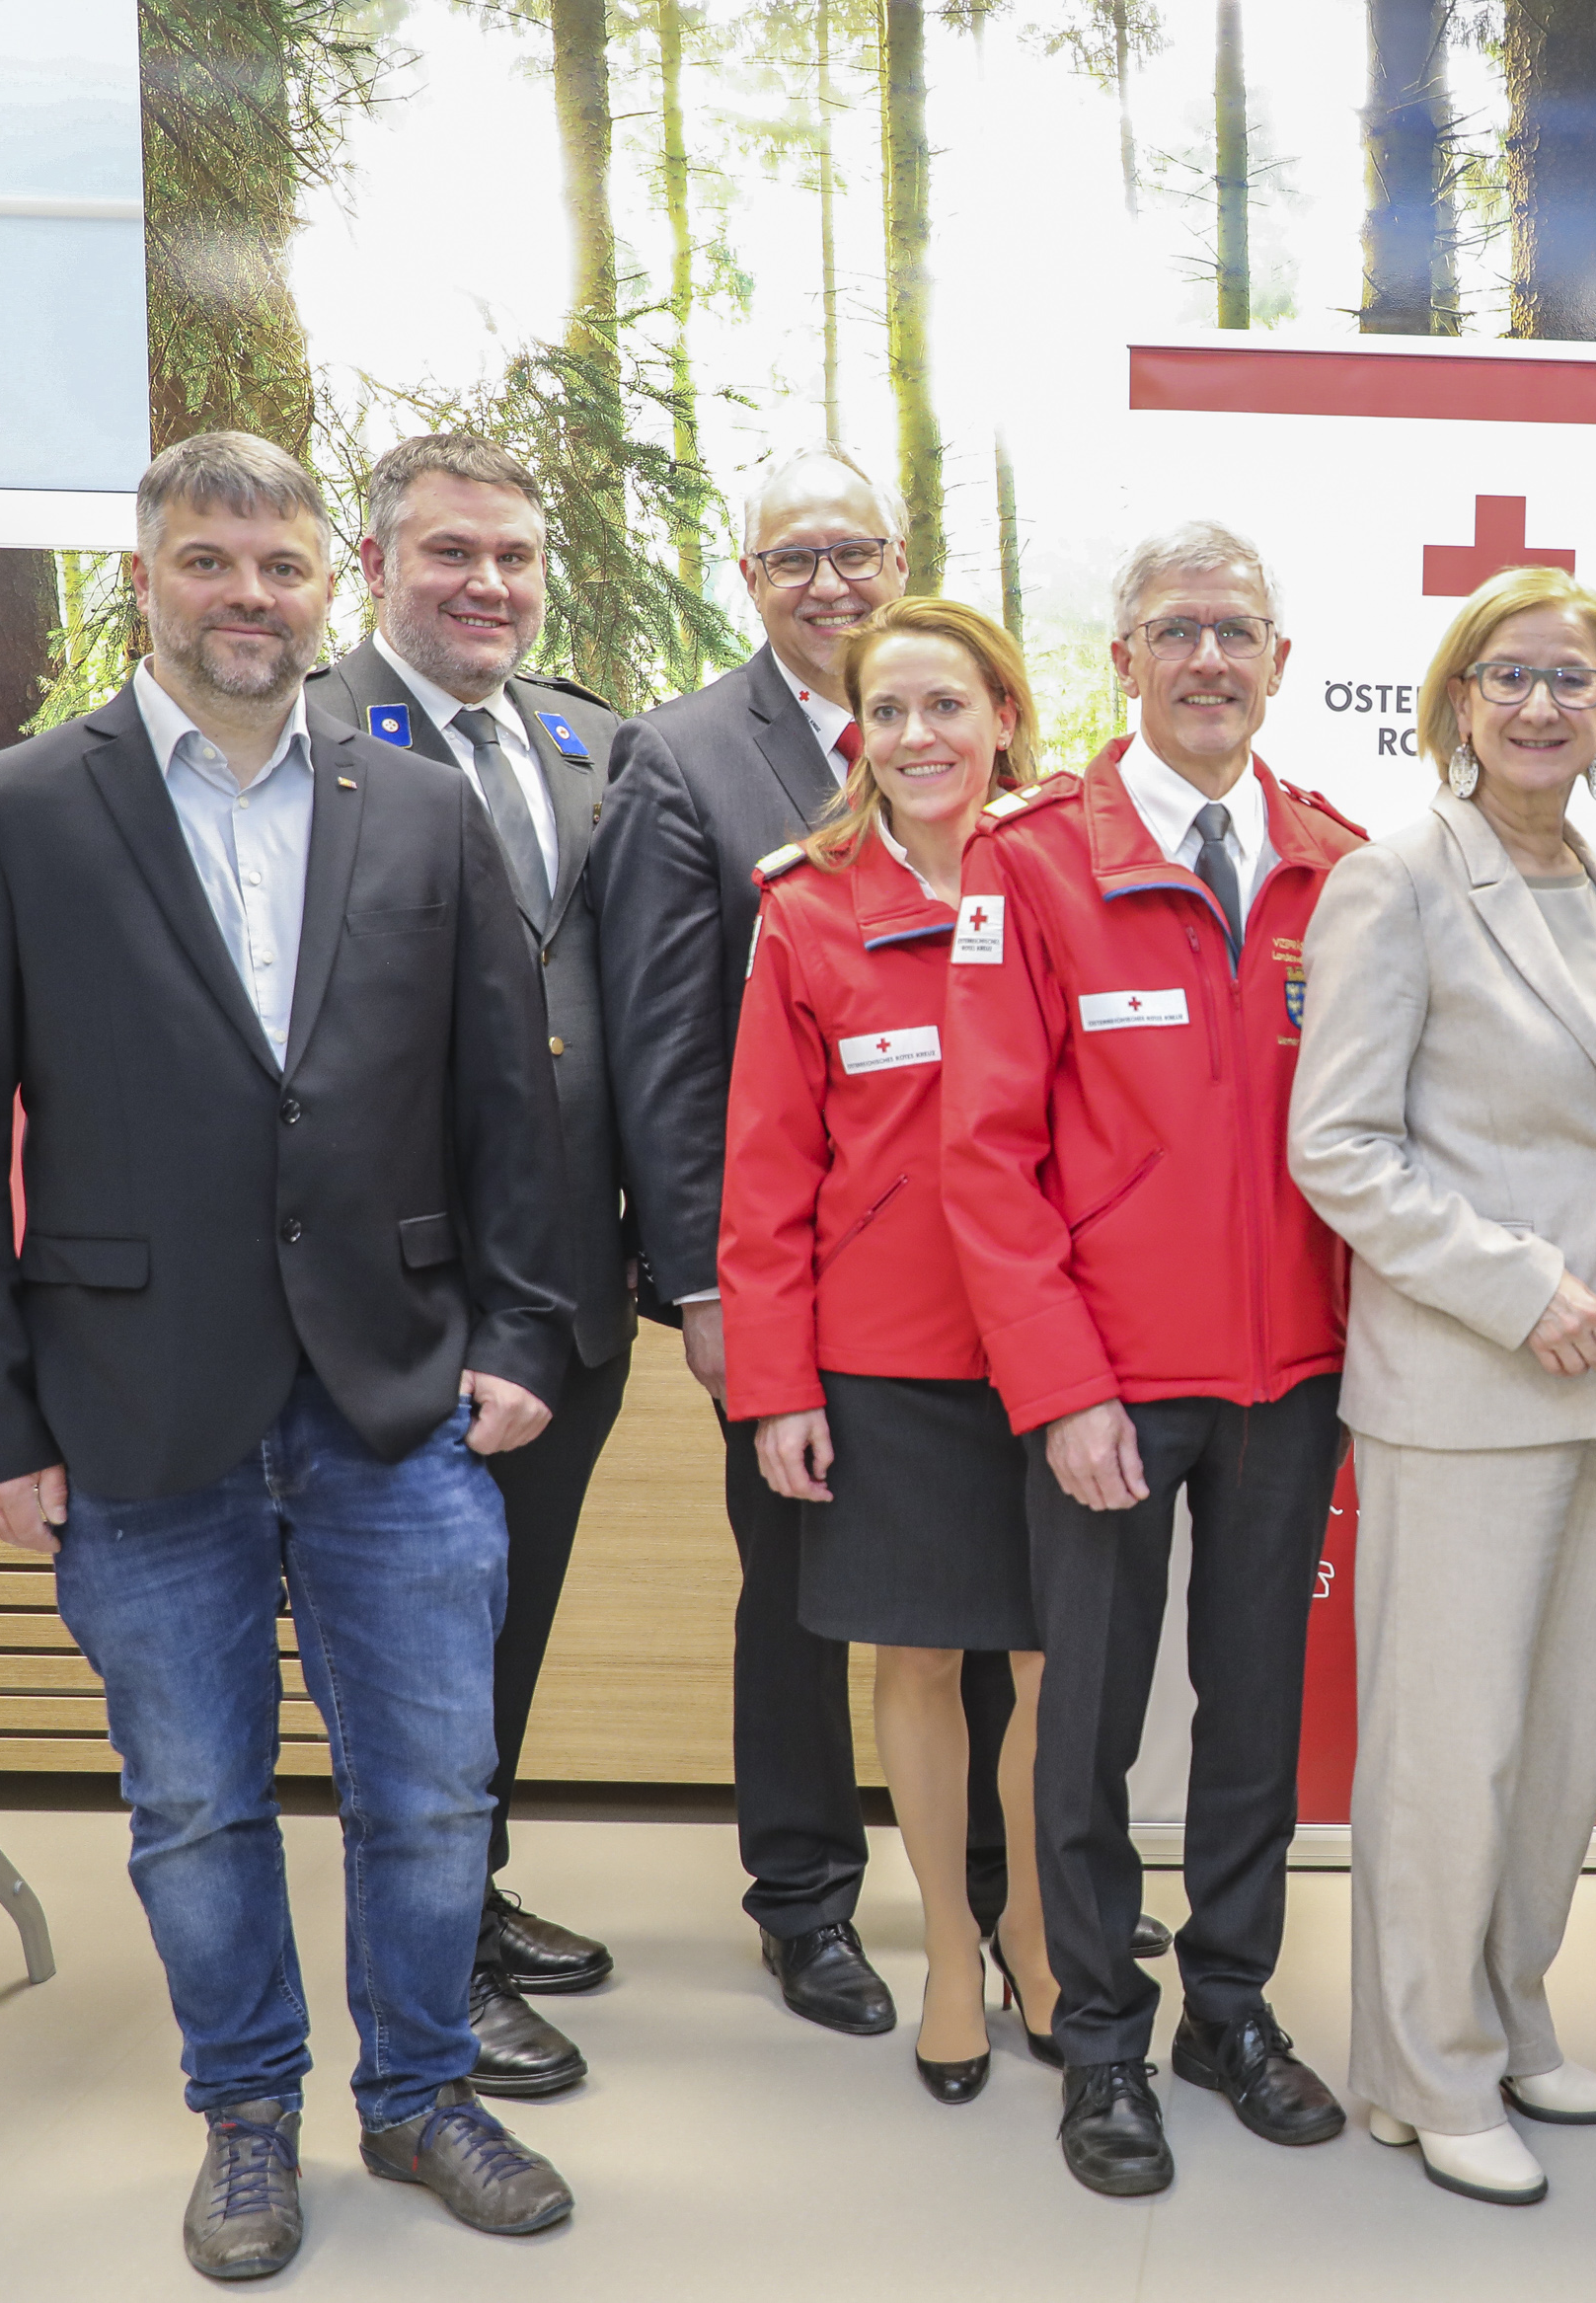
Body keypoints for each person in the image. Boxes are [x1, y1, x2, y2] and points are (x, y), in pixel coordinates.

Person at [0, 431, 578, 2277]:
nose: (246, 598)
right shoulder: (14, 809)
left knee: (432, 1785)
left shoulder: (422, 813)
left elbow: (511, 1107)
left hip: (397, 1395)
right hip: (131, 1406)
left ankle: (422, 2090)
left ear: (324, 587)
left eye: (278, 568)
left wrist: (521, 1334)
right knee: (196, 1802)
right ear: (146, 575)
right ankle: (249, 2114)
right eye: (208, 563)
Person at [943, 520, 1369, 2198]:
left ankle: (1233, 2006)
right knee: (1093, 1724)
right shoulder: (1032, 860)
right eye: (1176, 629)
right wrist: (1060, 1387)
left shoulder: (1341, 862)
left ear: (1278, 658)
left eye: (1237, 631)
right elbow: (985, 1157)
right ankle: (1102, 2032)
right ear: (1123, 659)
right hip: (1111, 1387)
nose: (1209, 658)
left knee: (1258, 1710)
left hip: (1296, 1377)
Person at [586, 444, 1023, 2036]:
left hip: (985, 1300)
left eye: (856, 549)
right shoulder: (686, 756)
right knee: (800, 1589)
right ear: (749, 575)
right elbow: (670, 1049)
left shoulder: (1001, 782)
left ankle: (995, 1886)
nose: (830, 580)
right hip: (788, 1283)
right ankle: (806, 1898)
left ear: (900, 557)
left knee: (982, 1601)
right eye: (795, 557)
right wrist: (708, 1287)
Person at [1289, 569, 1596, 2207]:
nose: (1544, 705)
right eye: (1512, 675)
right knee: (1445, 1749)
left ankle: (1511, 2008)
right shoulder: (1395, 881)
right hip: (1472, 1367)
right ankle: (1422, 2063)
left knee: (1554, 1740)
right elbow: (1339, 1146)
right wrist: (1523, 1289)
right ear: (1457, 699)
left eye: (1578, 679)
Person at [305, 432, 632, 2102]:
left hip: (568, 1279)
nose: (485, 584)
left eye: (510, 555)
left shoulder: (585, 739)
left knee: (506, 1630)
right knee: (415, 1653)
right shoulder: (304, 744)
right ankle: (427, 1979)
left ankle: (470, 1904)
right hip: (397, 1296)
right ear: (375, 568)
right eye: (448, 554)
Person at [720, 595, 1062, 2107]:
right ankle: (946, 1952)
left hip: (1060, 1348)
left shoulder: (1064, 873)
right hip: (892, 1357)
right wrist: (779, 1382)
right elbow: (765, 1166)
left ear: (1004, 712)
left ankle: (1042, 1938)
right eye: (892, 712)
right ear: (858, 731)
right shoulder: (807, 906)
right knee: (918, 1655)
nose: (920, 737)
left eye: (951, 706)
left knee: (1059, 1661)